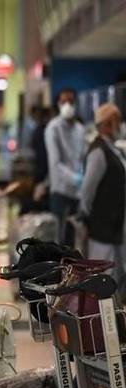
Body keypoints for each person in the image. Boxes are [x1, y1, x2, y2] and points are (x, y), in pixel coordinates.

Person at [80, 103, 126, 281]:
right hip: (102, 225)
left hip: (113, 224)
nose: (120, 126)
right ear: (107, 124)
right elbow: (87, 190)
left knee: (113, 274)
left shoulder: (113, 149)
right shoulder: (98, 151)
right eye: (117, 122)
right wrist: (88, 217)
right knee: (102, 275)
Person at [45, 88, 86, 245]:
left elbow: (82, 156)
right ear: (58, 104)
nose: (68, 104)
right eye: (64, 101)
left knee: (73, 238)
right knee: (58, 238)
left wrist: (83, 174)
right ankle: (59, 269)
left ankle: (72, 268)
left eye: (71, 101)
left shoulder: (80, 129)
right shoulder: (53, 128)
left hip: (77, 192)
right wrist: (75, 177)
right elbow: (55, 163)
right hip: (60, 190)